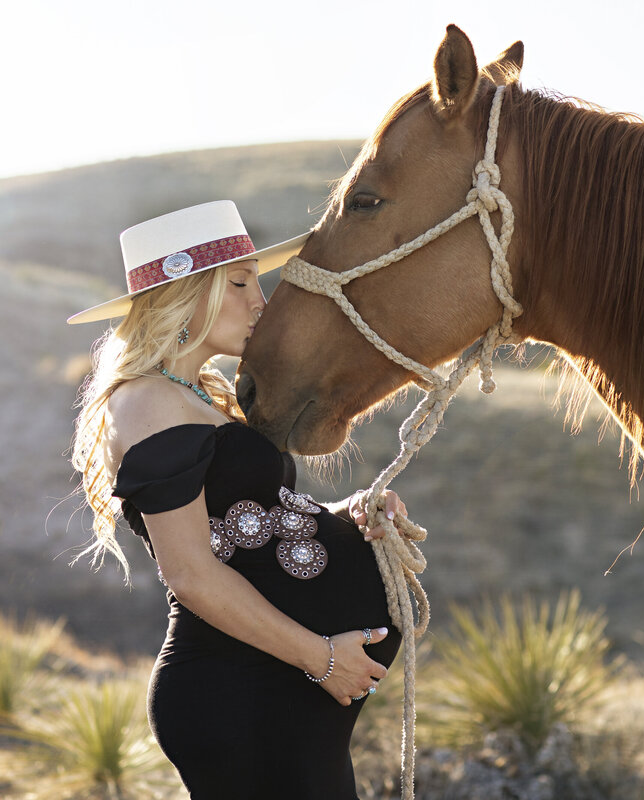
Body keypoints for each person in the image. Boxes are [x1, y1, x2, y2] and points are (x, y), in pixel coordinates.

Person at [66, 200, 404, 799]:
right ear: (186, 294)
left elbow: (244, 523)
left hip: (277, 689)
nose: (262, 303)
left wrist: (342, 517)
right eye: (242, 283)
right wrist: (321, 658)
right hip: (241, 691)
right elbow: (191, 572)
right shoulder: (147, 401)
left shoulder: (199, 395)